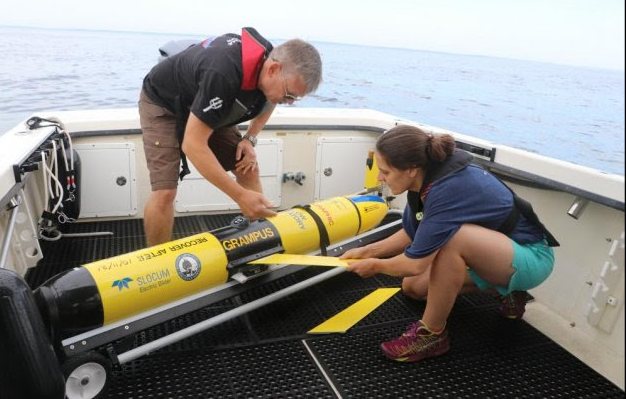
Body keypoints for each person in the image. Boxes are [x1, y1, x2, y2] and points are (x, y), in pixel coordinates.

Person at [340, 124, 558, 363]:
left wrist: (376, 266)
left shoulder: (447, 189)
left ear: (411, 169)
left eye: (386, 172)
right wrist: (368, 250)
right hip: (496, 256)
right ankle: (505, 291)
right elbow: (413, 234)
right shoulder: (424, 181)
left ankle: (432, 334)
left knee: (454, 238)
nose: (380, 178)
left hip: (531, 258)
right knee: (412, 288)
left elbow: (414, 263)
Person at [138, 27, 322, 245]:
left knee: (247, 165)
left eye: (295, 98)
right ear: (273, 69)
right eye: (289, 94)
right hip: (164, 104)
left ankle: (259, 241)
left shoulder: (269, 69)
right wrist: (240, 196)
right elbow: (193, 144)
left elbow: (272, 99)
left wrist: (249, 139)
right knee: (165, 192)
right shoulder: (224, 73)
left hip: (208, 104)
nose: (289, 101)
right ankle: (157, 264)